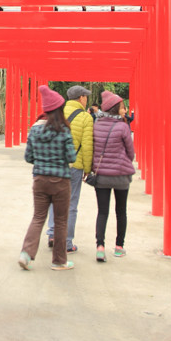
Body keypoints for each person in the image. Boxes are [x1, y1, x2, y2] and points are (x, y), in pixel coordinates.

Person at [18, 85, 77, 271]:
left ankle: (26, 254)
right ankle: (59, 261)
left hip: (40, 180)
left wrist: (41, 160)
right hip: (61, 181)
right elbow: (71, 158)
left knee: (38, 217)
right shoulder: (64, 131)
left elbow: (28, 157)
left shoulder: (35, 131)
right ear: (59, 110)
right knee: (60, 221)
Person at [46, 84, 94, 253]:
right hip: (74, 166)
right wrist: (88, 169)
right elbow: (87, 146)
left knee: (54, 199)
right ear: (81, 98)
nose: (86, 99)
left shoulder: (57, 113)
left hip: (55, 164)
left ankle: (52, 233)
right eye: (85, 96)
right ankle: (66, 241)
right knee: (70, 204)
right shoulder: (86, 118)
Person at [90, 90, 136, 263]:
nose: (125, 110)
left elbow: (93, 148)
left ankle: (100, 247)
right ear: (116, 109)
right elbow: (131, 152)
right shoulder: (123, 127)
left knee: (102, 212)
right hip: (121, 176)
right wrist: (123, 161)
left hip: (101, 175)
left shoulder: (97, 125)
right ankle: (118, 247)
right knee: (121, 211)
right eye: (123, 107)